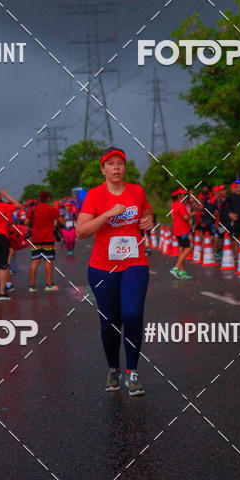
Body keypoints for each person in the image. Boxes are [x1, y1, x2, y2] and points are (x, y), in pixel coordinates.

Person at [76, 147, 153, 396]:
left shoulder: (136, 191)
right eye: (111, 163)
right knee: (109, 322)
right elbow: (81, 231)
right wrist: (108, 214)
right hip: (103, 267)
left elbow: (146, 212)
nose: (116, 167)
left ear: (125, 167)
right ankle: (113, 368)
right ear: (103, 169)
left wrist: (149, 220)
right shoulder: (95, 195)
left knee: (132, 314)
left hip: (134, 262)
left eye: (120, 163)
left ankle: (133, 371)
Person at [27, 191, 61, 292]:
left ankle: (31, 285)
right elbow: (61, 220)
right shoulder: (52, 209)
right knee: (48, 261)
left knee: (35, 261)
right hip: (48, 238)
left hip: (35, 239)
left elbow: (26, 221)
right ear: (48, 198)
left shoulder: (33, 208)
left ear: (39, 198)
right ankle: (49, 284)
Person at [169, 189, 192, 278]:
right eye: (182, 195)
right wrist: (193, 214)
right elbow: (185, 217)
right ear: (179, 196)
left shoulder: (173, 205)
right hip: (182, 230)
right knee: (188, 249)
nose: (184, 196)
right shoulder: (180, 205)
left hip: (177, 230)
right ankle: (176, 268)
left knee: (182, 250)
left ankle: (182, 272)